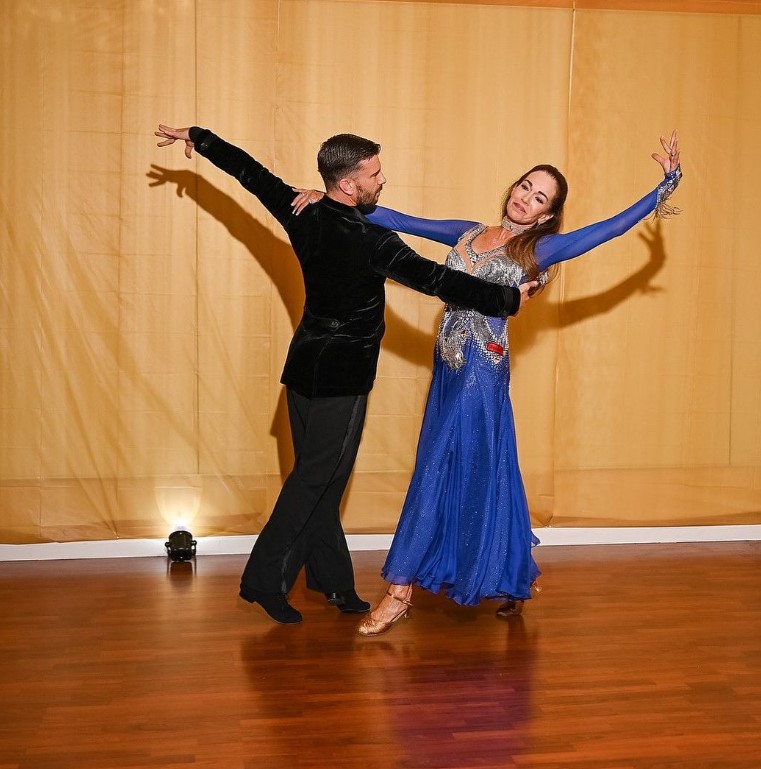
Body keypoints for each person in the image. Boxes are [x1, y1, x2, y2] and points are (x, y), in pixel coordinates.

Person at [293, 131, 682, 636]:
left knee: (436, 469)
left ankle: (399, 592)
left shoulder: (542, 249)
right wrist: (326, 197)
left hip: (483, 370)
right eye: (525, 186)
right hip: (447, 368)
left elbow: (609, 228)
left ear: (546, 215)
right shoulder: (467, 232)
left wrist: (666, 185)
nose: (525, 198)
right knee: (481, 468)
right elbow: (395, 219)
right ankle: (511, 574)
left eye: (539, 198)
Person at [155, 124, 536, 625]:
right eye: (374, 174)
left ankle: (333, 581)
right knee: (315, 480)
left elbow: (250, 173)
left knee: (327, 481)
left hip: (303, 369)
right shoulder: (374, 240)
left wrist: (200, 138)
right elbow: (437, 279)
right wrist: (506, 297)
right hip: (342, 379)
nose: (383, 179)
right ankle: (264, 580)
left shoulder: (302, 210)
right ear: (350, 184)